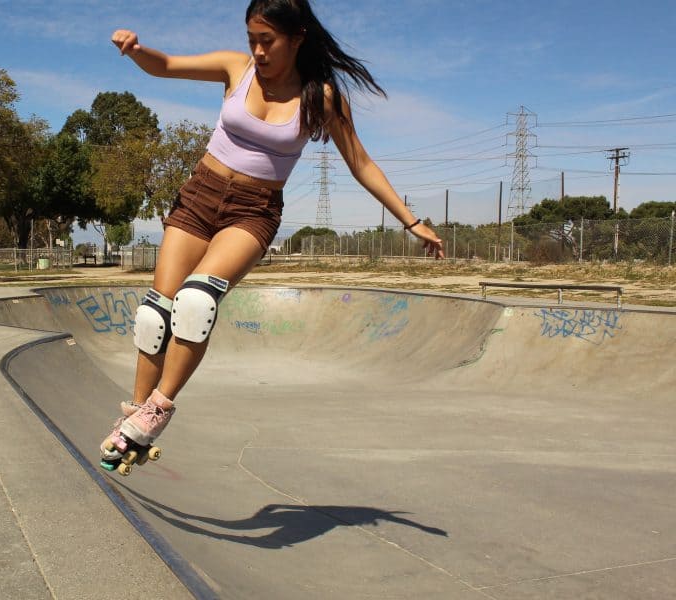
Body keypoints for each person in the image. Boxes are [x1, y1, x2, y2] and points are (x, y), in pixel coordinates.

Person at [100, 0, 445, 467]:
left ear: (297, 37)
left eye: (268, 41)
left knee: (196, 304)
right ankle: (132, 417)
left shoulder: (319, 96)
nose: (258, 52)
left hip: (254, 211)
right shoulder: (235, 68)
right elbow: (166, 66)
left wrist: (411, 220)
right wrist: (136, 50)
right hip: (199, 196)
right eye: (252, 41)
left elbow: (361, 163)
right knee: (153, 315)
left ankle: (155, 412)